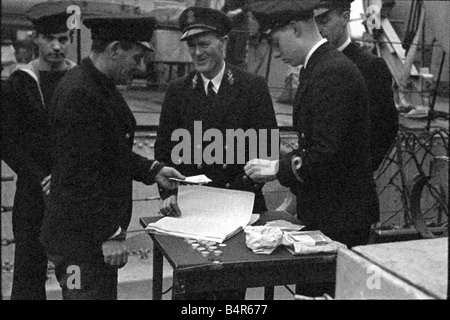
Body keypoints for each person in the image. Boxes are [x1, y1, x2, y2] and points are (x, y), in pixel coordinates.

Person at [39, 16, 185, 300]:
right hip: (80, 244)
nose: (140, 67)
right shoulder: (80, 93)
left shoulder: (96, 85)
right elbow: (78, 176)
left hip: (86, 238)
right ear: (115, 48)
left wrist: (153, 169)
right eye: (137, 57)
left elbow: (106, 152)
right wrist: (109, 233)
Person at [245, 0, 379, 295]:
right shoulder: (319, 67)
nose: (276, 53)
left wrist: (277, 168)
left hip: (340, 216)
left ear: (295, 29)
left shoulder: (331, 72)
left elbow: (327, 152)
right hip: (326, 209)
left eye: (276, 42)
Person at [154, 6, 278, 299]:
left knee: (230, 294)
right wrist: (168, 194)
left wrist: (237, 199)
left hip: (238, 210)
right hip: (192, 210)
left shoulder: (252, 88)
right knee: (190, 293)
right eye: (192, 46)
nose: (197, 53)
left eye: (204, 44)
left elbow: (267, 150)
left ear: (223, 42)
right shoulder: (177, 91)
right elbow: (164, 151)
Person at [1, 3, 77, 300]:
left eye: (64, 39)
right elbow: (8, 141)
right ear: (36, 39)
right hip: (34, 193)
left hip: (71, 193)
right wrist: (41, 177)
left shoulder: (80, 80)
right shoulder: (19, 84)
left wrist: (64, 176)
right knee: (29, 273)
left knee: (74, 274)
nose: (57, 46)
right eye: (50, 39)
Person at [314, 0, 399, 172]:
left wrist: (360, 171)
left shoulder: (369, 67)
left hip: (349, 183)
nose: (319, 30)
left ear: (345, 18)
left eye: (324, 21)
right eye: (313, 23)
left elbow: (385, 126)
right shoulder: (311, 66)